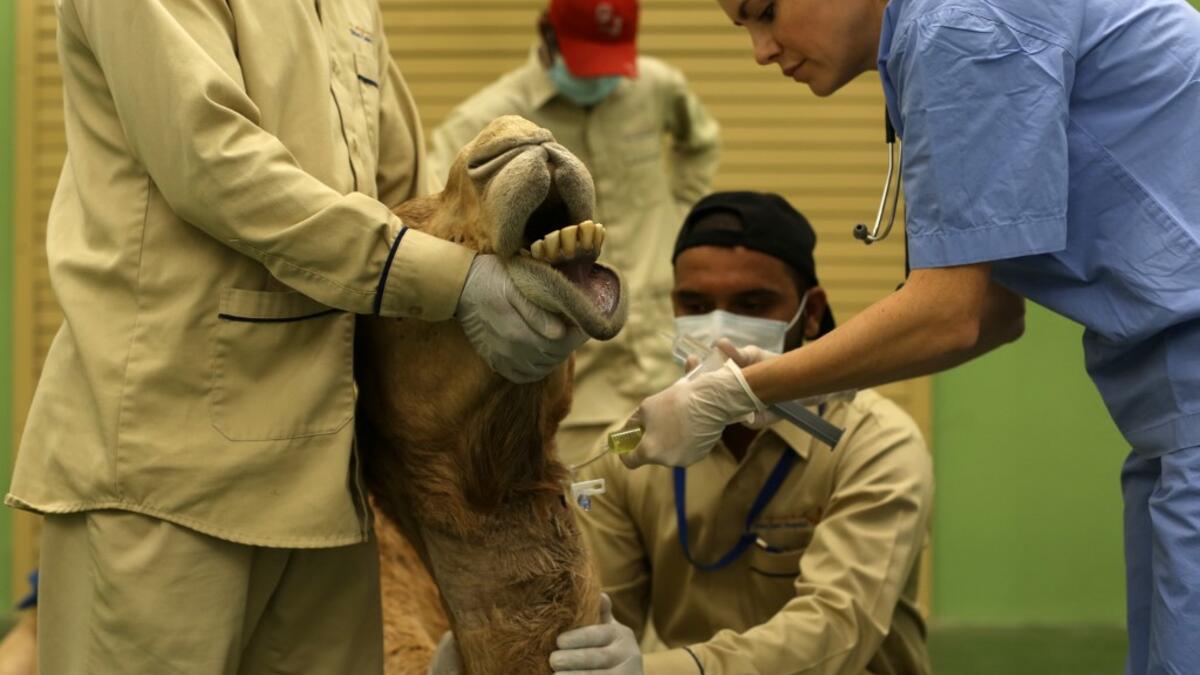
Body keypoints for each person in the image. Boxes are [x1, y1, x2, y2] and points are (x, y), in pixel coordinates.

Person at [621, 1, 1200, 673]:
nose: (761, 49)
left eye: (766, 11)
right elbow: (991, 312)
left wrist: (745, 387)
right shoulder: (932, 45)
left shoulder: (961, 28)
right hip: (1167, 418)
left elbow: (949, 313)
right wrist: (782, 377)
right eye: (742, 26)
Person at [6, 1, 582, 673]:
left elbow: (395, 191)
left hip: (326, 481)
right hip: (168, 471)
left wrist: (510, 288)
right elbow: (214, 164)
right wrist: (451, 280)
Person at [546, 192, 932, 675]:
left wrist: (660, 672)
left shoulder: (874, 444)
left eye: (753, 303)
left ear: (811, 313)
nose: (720, 328)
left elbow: (836, 632)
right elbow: (595, 622)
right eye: (696, 304)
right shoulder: (634, 451)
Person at [427, 0, 720, 465]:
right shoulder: (491, 118)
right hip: (580, 386)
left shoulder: (656, 87)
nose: (599, 77)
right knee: (590, 497)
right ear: (548, 35)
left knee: (675, 505)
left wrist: (680, 215)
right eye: (586, 60)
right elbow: (439, 208)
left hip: (668, 357)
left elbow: (700, 140)